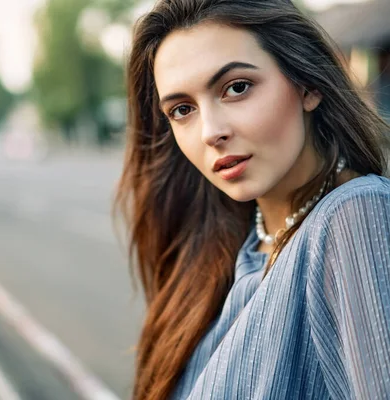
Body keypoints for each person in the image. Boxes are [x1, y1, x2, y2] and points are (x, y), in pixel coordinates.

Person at [114, 0, 390, 399]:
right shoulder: (229, 252)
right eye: (182, 109)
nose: (210, 131)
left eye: (236, 88)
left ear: (307, 84)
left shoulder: (355, 216)